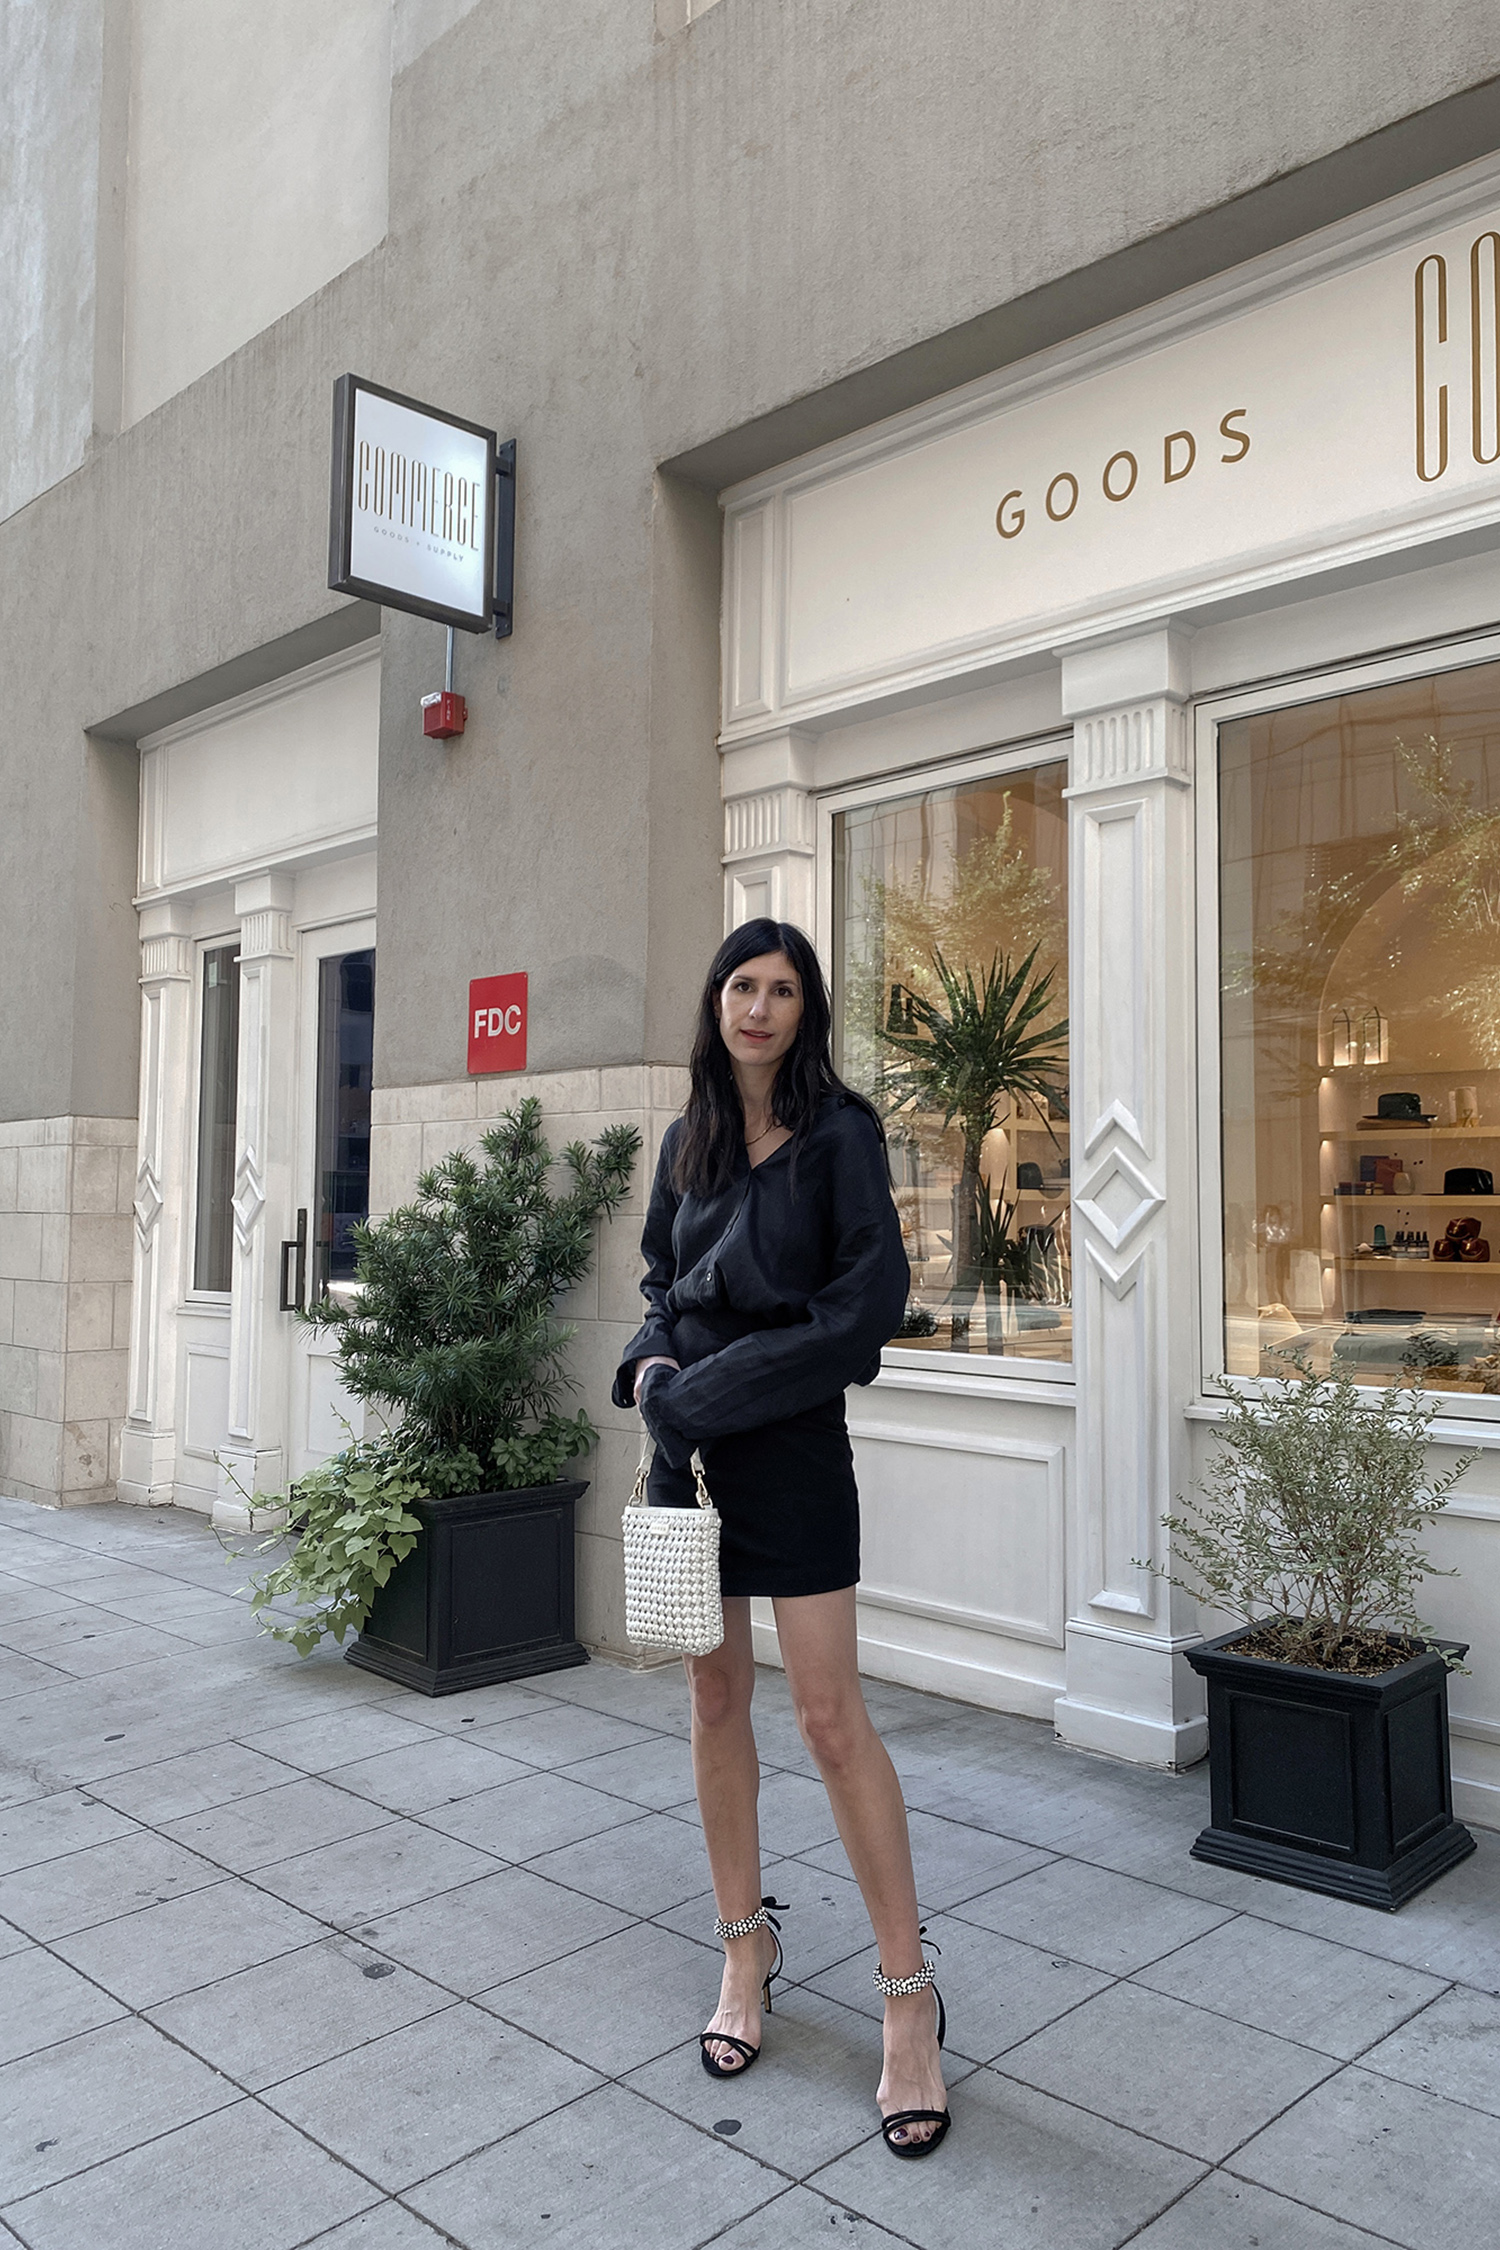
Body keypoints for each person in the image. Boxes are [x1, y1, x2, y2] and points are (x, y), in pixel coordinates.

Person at [611, 917, 951, 2159]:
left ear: (807, 1011)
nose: (758, 1007)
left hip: (790, 1450)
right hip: (682, 1447)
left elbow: (859, 1313)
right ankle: (743, 1953)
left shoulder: (841, 1137)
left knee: (826, 1717)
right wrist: (652, 1364)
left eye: (782, 989)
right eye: (740, 986)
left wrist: (705, 1389)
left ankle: (908, 2003)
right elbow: (660, 1280)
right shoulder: (688, 1139)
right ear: (715, 1003)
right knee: (712, 1698)